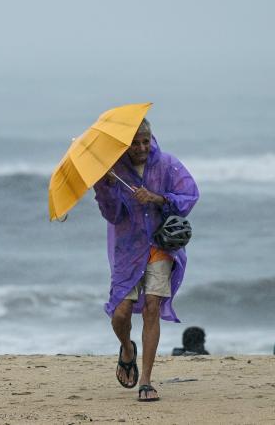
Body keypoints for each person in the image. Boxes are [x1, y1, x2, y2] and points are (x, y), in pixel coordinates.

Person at [93, 118, 199, 402]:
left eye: (146, 140)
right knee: (120, 314)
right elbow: (113, 215)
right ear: (125, 145)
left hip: (159, 245)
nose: (141, 147)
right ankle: (127, 349)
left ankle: (146, 381)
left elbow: (190, 196)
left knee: (153, 307)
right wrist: (103, 188)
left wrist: (157, 198)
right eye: (135, 142)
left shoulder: (166, 164)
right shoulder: (114, 173)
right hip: (128, 249)